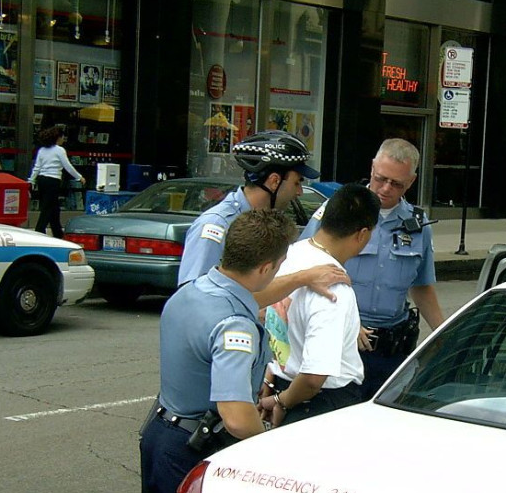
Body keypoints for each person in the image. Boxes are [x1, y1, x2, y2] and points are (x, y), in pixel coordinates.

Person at [135, 209, 297, 493]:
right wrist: (270, 446)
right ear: (266, 268)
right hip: (195, 447)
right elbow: (236, 417)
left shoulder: (191, 291)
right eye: (280, 264)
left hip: (160, 433)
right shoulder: (234, 324)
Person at [300, 138, 445, 398]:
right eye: (381, 178)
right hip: (343, 343)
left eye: (396, 183)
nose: (385, 188)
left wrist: (444, 335)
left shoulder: (418, 225)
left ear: (410, 182)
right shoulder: (340, 210)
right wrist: (349, 321)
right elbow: (303, 264)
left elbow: (422, 287)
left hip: (392, 350)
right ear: (371, 169)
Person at [259, 183, 380, 427]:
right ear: (363, 234)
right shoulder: (333, 286)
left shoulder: (290, 255)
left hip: (285, 384)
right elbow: (315, 377)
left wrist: (273, 378)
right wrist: (282, 403)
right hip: (320, 403)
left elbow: (271, 321)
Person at [178, 129, 320, 286]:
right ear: (274, 181)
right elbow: (195, 294)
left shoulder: (271, 224)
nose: (299, 192)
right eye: (297, 182)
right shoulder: (217, 225)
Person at [28, 125, 85, 238]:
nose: (63, 139)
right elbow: (67, 166)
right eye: (62, 137)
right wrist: (79, 177)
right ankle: (39, 230)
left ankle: (58, 233)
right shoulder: (60, 150)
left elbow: (37, 167)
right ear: (57, 138)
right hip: (53, 180)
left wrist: (31, 180)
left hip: (42, 179)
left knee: (53, 208)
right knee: (48, 208)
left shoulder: (42, 150)